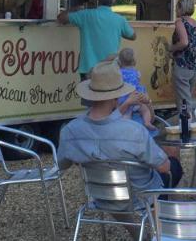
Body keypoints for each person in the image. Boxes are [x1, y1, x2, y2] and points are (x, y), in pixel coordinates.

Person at [56, 59, 183, 198]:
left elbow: (62, 164)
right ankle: (159, 214)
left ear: (90, 95)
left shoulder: (70, 130)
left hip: (100, 197)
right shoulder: (133, 131)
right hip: (140, 199)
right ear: (116, 96)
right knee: (173, 163)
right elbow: (164, 167)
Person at [58, 0, 135, 77]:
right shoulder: (120, 20)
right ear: (114, 0)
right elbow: (133, 36)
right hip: (110, 69)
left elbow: (61, 18)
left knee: (87, 91)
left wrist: (75, 8)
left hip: (88, 70)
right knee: (110, 91)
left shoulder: (85, 15)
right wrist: (119, 31)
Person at [170, 0, 196, 109]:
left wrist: (171, 48)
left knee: (183, 104)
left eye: (177, 7)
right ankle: (187, 124)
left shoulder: (180, 22)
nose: (176, 10)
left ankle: (186, 125)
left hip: (182, 66)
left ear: (181, 8)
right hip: (195, 68)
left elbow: (184, 42)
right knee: (187, 99)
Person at [116, 47, 157, 133]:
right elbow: (137, 81)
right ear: (134, 61)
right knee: (145, 110)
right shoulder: (136, 72)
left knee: (127, 114)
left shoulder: (118, 73)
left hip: (124, 98)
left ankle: (127, 127)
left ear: (119, 62)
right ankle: (147, 122)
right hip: (137, 96)